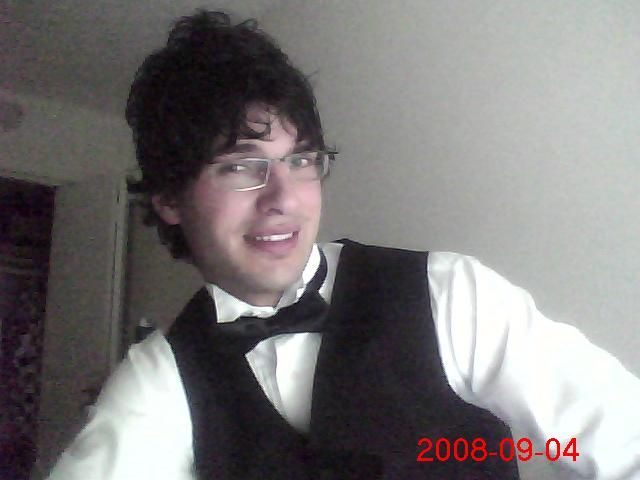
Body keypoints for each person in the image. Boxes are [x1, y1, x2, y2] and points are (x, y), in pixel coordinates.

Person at [48, 10, 640, 480]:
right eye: (241, 166)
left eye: (301, 160)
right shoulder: (158, 377)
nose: (285, 197)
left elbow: (617, 436)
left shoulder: (449, 295)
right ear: (170, 198)